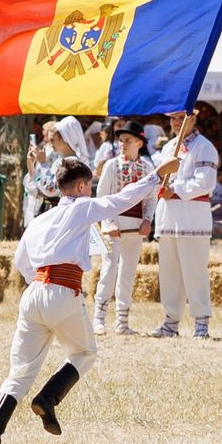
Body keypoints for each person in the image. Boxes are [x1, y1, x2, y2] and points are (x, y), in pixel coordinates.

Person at [0, 153, 178, 444]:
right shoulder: (83, 206)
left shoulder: (41, 219)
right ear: (82, 185)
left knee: (20, 371)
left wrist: (40, 281)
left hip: (32, 294)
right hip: (62, 291)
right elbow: (120, 200)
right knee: (85, 353)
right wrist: (157, 175)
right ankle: (48, 397)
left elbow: (20, 260)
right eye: (90, 186)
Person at [151, 110, 218, 339]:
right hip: (169, 217)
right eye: (173, 119)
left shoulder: (204, 147)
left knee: (194, 271)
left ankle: (201, 323)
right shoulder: (168, 147)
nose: (177, 123)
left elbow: (205, 182)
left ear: (193, 119)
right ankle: (170, 322)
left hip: (192, 219)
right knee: (169, 272)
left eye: (182, 118)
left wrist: (176, 190)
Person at [93, 121, 156, 335]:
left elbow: (151, 198)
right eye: (120, 140)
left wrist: (147, 220)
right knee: (109, 269)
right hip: (115, 225)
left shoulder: (148, 168)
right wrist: (108, 222)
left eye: (127, 140)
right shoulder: (111, 165)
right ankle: (99, 319)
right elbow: (102, 196)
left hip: (135, 228)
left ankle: (122, 322)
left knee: (128, 272)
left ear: (139, 142)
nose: (122, 144)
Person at [24, 116, 91, 218]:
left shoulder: (71, 163)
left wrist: (43, 163)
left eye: (53, 140)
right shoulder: (63, 161)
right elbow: (39, 189)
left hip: (62, 215)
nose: (50, 144)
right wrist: (31, 164)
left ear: (64, 139)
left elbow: (50, 189)